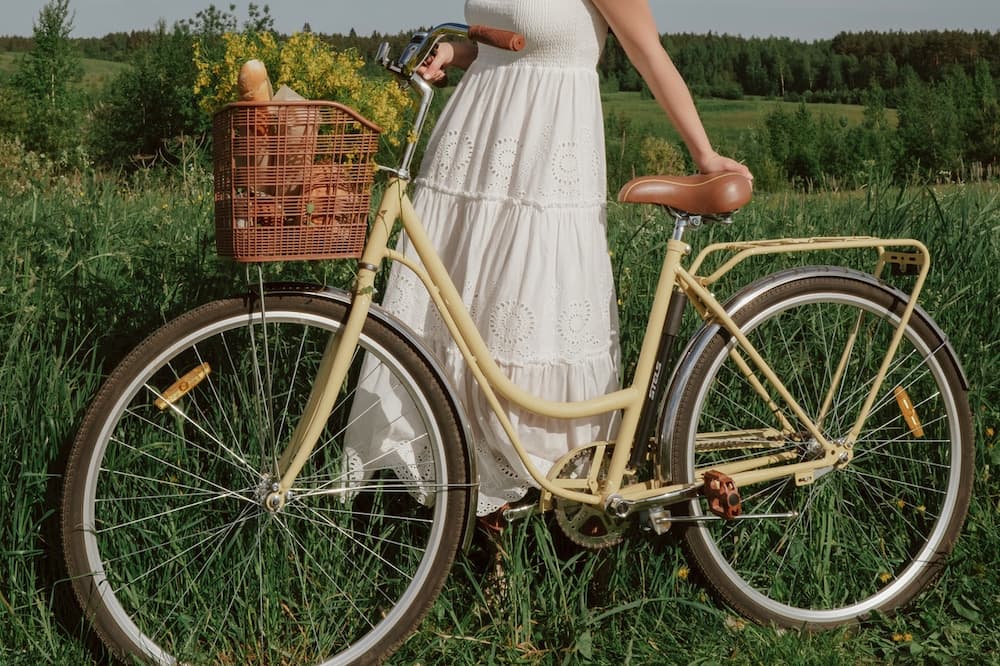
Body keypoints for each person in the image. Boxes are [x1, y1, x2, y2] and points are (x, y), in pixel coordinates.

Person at [350, 0, 753, 518]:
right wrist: (455, 50)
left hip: (544, 164)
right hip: (474, 154)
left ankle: (533, 495)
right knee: (456, 317)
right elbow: (514, 41)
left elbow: (646, 51)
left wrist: (705, 156)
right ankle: (459, 482)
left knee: (521, 317)